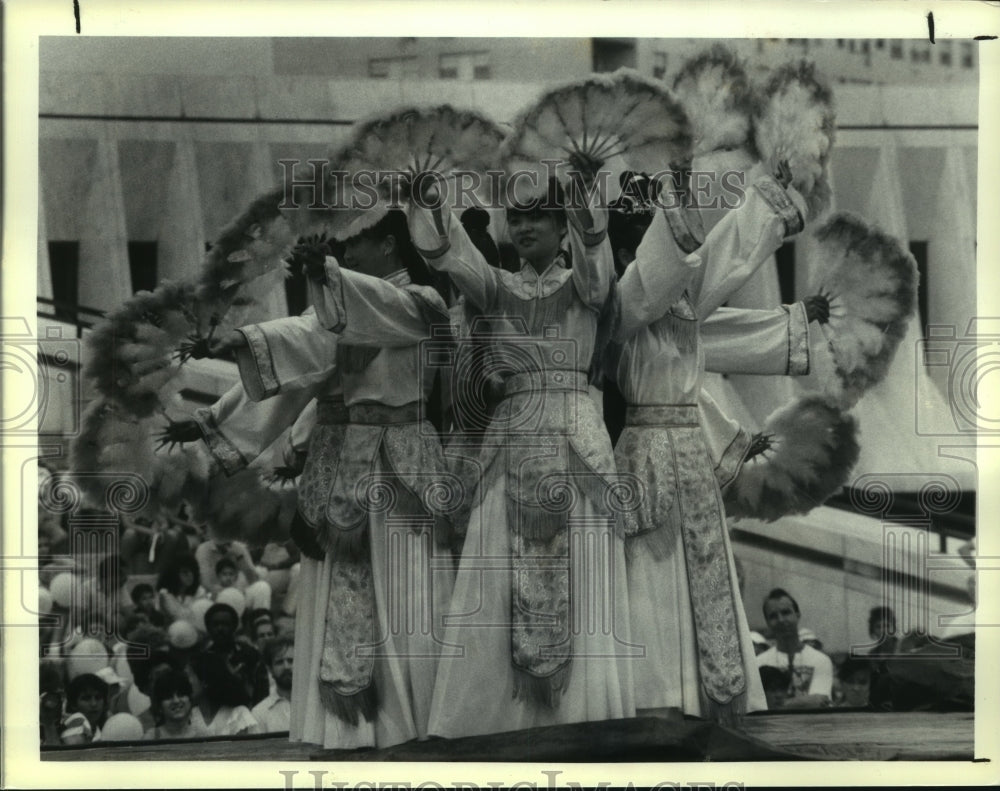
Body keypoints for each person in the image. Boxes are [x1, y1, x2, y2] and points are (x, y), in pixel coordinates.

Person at [168, 208, 455, 749]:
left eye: (357, 244)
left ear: (391, 246)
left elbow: (363, 315)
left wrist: (328, 277)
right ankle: (349, 730)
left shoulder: (422, 302)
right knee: (336, 594)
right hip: (340, 464)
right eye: (342, 248)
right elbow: (301, 354)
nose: (347, 254)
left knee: (403, 594)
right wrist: (218, 396)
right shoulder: (341, 307)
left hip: (400, 469)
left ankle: (413, 724)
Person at [407, 171, 635, 738]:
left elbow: (597, 262)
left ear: (562, 227)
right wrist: (433, 204)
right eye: (518, 215)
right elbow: (451, 256)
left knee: (582, 578)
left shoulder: (587, 281)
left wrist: (585, 196)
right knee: (497, 577)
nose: (526, 224)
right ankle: (489, 720)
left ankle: (585, 718)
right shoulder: (495, 285)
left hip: (574, 438)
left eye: (539, 215)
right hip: (511, 435)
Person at [600, 162, 811, 724]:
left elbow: (724, 256)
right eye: (643, 230)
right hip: (643, 449)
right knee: (648, 576)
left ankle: (704, 699)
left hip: (686, 451)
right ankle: (651, 700)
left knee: (702, 577)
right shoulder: (617, 304)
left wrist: (767, 193)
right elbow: (682, 270)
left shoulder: (683, 303)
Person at [756, 588, 834, 708]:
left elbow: (819, 704)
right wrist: (804, 702)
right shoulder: (758, 663)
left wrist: (777, 706)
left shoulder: (821, 660)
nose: (781, 620)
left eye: (786, 612)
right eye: (773, 616)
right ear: (767, 622)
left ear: (797, 615)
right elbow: (758, 707)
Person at [202, 602, 269, 706]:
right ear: (208, 628)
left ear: (234, 626)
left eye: (225, 624)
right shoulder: (202, 660)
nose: (220, 629)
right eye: (215, 624)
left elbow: (262, 692)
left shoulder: (250, 654)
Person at [143, 669, 209, 740]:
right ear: (159, 706)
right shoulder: (151, 738)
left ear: (190, 700)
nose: (176, 701)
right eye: (168, 696)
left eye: (181, 694)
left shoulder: (203, 736)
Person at [251, 636, 294, 732]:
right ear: (270, 669)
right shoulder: (260, 713)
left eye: (291, 661)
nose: (286, 667)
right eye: (279, 662)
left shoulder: (316, 706)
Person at [156, 554, 209, 625]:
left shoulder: (200, 591)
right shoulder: (165, 593)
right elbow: (178, 617)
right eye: (185, 572)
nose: (190, 575)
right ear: (174, 574)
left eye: (192, 571)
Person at [60, 673, 110, 744]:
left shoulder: (107, 732)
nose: (94, 704)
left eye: (98, 697)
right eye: (86, 698)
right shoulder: (66, 734)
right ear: (73, 704)